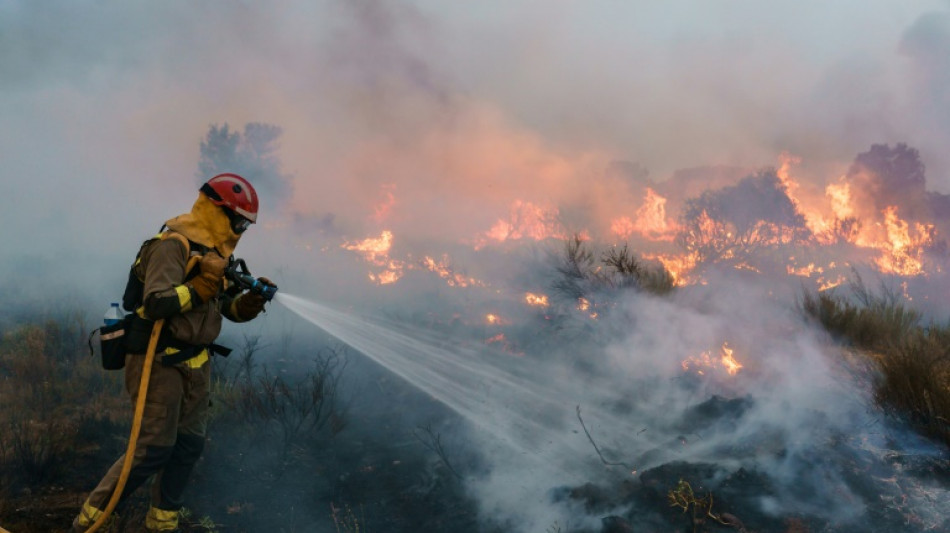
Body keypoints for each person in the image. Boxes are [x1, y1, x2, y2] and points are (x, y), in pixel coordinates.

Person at [72, 173, 273, 532]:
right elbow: (156, 301)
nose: (240, 230)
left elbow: (226, 309)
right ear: (216, 211)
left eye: (245, 225)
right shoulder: (172, 245)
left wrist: (251, 302)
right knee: (153, 449)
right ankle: (89, 523)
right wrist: (201, 286)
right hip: (159, 358)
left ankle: (162, 524)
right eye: (238, 221)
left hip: (197, 364)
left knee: (188, 447)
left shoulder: (216, 254)